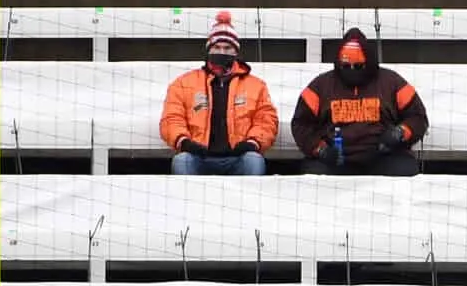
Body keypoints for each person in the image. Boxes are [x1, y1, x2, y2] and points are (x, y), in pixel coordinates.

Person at [291, 27, 428, 176]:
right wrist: (320, 149)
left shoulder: (392, 82)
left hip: (384, 156)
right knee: (313, 173)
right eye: (346, 66)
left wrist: (400, 133)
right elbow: (301, 124)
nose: (351, 70)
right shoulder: (320, 86)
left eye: (357, 66)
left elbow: (417, 117)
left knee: (406, 169)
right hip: (335, 160)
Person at [160, 12, 279, 175]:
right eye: (216, 47)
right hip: (198, 156)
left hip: (239, 157)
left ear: (236, 52)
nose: (221, 51)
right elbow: (171, 118)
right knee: (182, 160)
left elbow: (266, 120)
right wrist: (184, 142)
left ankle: (251, 201)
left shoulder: (257, 86)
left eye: (227, 48)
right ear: (209, 50)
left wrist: (253, 142)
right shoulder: (183, 83)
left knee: (253, 160)